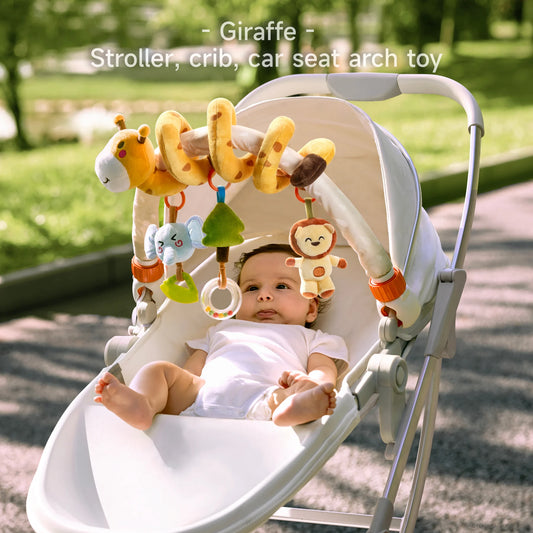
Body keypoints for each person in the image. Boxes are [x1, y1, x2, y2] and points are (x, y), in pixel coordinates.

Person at [94, 244, 348, 429]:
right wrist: (179, 385)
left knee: (301, 394)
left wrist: (309, 385)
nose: (264, 296)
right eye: (252, 288)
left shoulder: (313, 338)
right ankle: (144, 404)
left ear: (311, 308)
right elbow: (192, 374)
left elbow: (324, 372)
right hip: (202, 397)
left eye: (282, 286)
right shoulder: (220, 330)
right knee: (159, 370)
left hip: (266, 396)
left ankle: (292, 410)